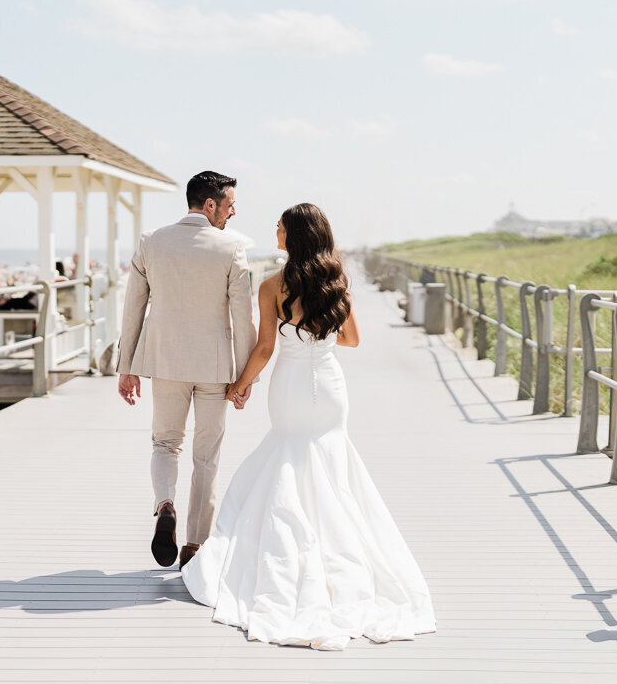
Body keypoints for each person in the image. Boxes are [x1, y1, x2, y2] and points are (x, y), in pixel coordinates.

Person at [180, 203, 436, 650]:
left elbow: (263, 349)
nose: (274, 232)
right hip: (330, 387)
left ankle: (293, 554)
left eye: (279, 227)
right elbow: (352, 339)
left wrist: (239, 386)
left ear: (292, 236)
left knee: (287, 456)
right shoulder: (337, 280)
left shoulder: (272, 286)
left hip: (291, 386)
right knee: (331, 464)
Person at [117, 171, 257, 570]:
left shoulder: (152, 242)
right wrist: (245, 376)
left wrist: (126, 367)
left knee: (165, 443)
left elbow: (134, 308)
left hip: (165, 362)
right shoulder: (232, 248)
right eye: (229, 205)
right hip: (215, 367)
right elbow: (241, 314)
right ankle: (195, 545)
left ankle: (164, 505)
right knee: (206, 456)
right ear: (210, 204)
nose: (233, 212)